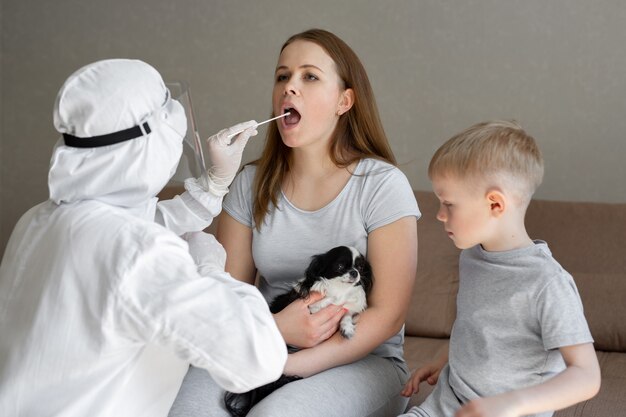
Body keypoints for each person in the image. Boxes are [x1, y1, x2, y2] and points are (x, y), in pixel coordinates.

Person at [0, 59, 287, 417]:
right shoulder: (139, 253)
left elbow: (133, 225)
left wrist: (212, 185)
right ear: (150, 143)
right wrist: (208, 267)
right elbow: (258, 356)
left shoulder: (39, 220)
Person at [169, 29, 420, 417]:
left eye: (310, 76)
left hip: (361, 360)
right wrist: (271, 340)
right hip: (266, 342)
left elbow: (388, 317)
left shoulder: (382, 186)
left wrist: (286, 368)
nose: (289, 88)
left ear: (344, 101)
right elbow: (227, 296)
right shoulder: (250, 184)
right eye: (283, 76)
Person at [399, 120, 601, 417]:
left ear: (495, 204)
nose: (440, 216)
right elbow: (476, 325)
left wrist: (511, 404)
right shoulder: (472, 257)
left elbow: (587, 376)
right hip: (443, 407)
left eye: (449, 204)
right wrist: (443, 360)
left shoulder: (547, 283)